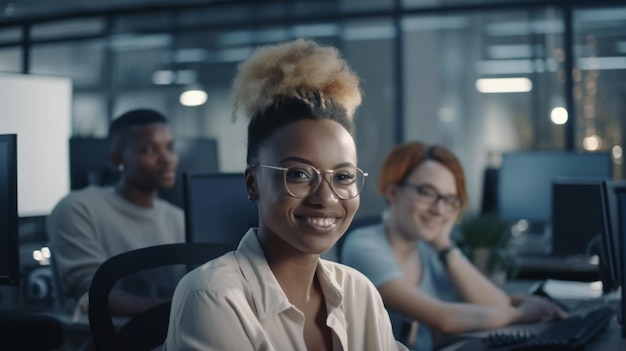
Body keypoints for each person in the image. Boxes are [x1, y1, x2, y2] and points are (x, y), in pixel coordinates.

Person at [164, 39, 407, 351]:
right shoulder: (212, 295)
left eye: (343, 176)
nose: (326, 197)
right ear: (252, 183)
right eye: (299, 174)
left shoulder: (359, 293)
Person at [341, 141, 567, 351]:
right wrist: (520, 314)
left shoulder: (426, 250)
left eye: (449, 200)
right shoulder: (363, 246)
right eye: (427, 193)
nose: (439, 210)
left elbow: (495, 304)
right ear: (393, 192)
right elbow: (445, 319)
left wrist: (443, 244)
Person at [47, 108, 185, 321]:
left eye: (170, 147)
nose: (167, 159)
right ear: (116, 160)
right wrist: (181, 307)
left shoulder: (177, 218)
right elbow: (98, 294)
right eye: (149, 150)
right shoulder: (77, 208)